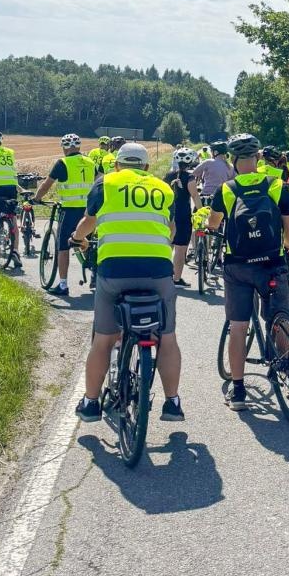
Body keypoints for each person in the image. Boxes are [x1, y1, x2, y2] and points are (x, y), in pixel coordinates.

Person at [71, 142, 185, 423]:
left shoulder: (106, 183)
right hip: (158, 270)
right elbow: (171, 230)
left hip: (115, 270)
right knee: (167, 338)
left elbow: (89, 222)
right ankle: (172, 403)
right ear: (146, 167)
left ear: (117, 164)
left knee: (104, 339)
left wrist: (77, 238)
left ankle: (91, 403)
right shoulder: (163, 188)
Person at [206, 133, 289, 411]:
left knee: (238, 326)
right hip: (271, 263)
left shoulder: (227, 189)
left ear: (233, 160)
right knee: (279, 320)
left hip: (238, 265)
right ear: (258, 158)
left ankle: (238, 392)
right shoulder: (276, 185)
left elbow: (213, 224)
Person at [32, 134, 96, 296]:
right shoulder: (90, 162)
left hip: (70, 210)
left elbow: (46, 185)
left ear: (65, 148)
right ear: (78, 147)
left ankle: (63, 284)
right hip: (89, 211)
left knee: (63, 246)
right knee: (88, 241)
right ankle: (95, 272)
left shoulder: (63, 163)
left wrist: (36, 198)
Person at [163, 147, 200, 286]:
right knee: (180, 248)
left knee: (168, 246)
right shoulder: (190, 178)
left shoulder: (168, 175)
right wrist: (201, 211)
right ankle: (176, 279)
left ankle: (164, 275)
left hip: (168, 214)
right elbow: (195, 196)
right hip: (183, 215)